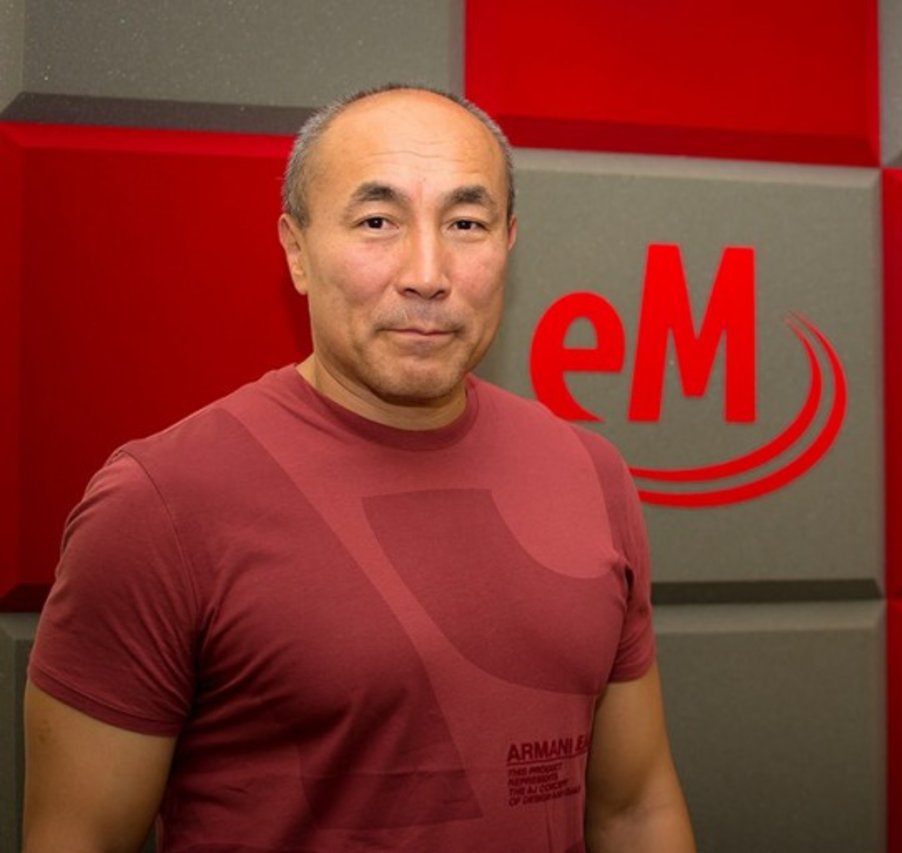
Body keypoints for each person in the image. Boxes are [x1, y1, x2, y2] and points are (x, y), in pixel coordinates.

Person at [22, 84, 696, 853]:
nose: (427, 272)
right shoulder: (161, 503)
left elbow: (635, 809)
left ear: (509, 242)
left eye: (466, 223)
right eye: (378, 221)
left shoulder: (591, 475)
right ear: (296, 249)